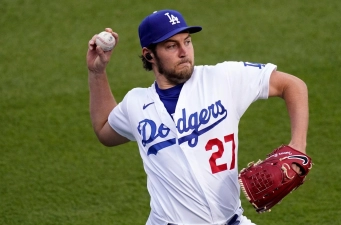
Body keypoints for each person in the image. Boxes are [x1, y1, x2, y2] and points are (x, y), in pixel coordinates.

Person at [86, 9, 308, 225]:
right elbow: (105, 130)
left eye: (188, 41)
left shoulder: (223, 79)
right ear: (149, 55)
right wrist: (97, 72)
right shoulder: (136, 103)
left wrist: (297, 146)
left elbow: (292, 85)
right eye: (172, 45)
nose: (184, 52)